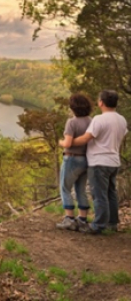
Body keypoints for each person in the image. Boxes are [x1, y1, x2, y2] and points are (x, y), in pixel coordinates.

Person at [67, 90, 128, 234]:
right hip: (114, 161)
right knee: (111, 193)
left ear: (101, 102)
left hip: (99, 162)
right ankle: (112, 223)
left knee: (99, 195)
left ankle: (98, 225)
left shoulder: (99, 119)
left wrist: (68, 143)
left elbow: (86, 138)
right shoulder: (121, 119)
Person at [57, 93, 92, 231]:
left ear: (73, 107)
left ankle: (69, 219)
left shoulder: (71, 122)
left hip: (72, 158)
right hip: (86, 159)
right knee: (81, 190)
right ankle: (82, 220)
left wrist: (60, 142)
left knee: (65, 188)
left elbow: (68, 142)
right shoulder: (91, 121)